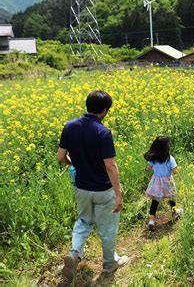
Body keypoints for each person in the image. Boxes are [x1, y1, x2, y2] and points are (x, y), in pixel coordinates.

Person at [57, 90, 128, 280]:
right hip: (104, 190)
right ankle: (109, 264)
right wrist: (118, 193)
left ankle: (75, 253)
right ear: (105, 110)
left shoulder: (69, 126)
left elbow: (60, 157)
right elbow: (110, 165)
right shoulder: (103, 132)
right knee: (107, 228)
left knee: (83, 221)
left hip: (81, 188)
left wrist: (76, 163)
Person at [144, 136, 184, 230]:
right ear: (166, 147)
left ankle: (151, 220)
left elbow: (148, 168)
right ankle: (174, 213)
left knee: (155, 201)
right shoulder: (170, 159)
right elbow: (175, 171)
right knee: (171, 198)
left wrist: (152, 168)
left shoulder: (154, 158)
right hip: (167, 181)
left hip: (156, 181)